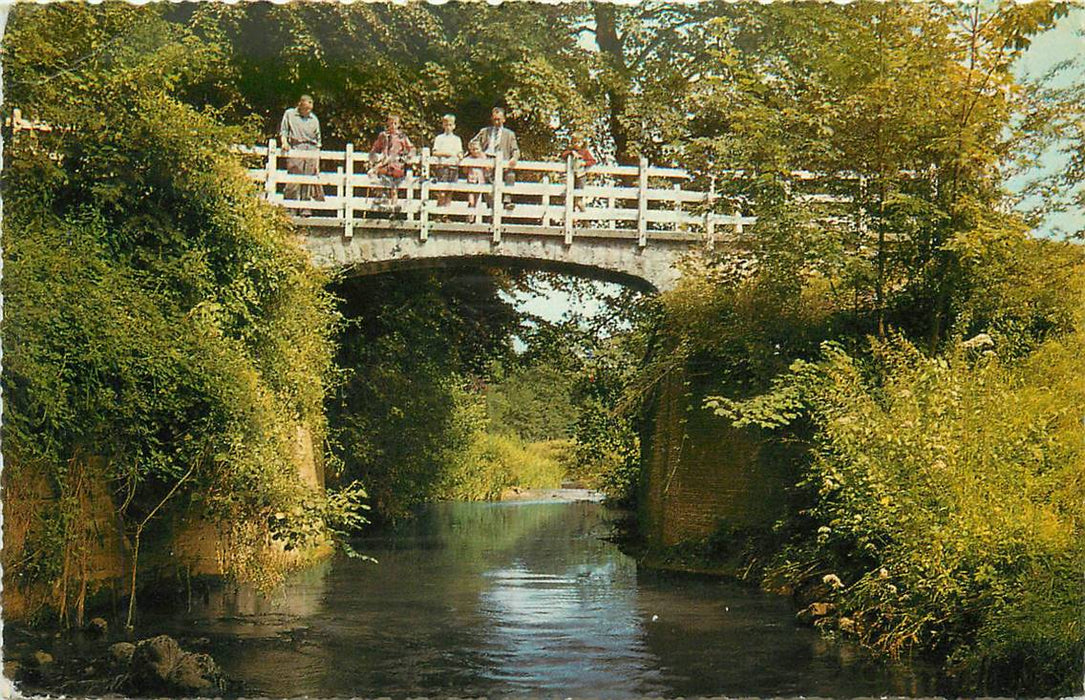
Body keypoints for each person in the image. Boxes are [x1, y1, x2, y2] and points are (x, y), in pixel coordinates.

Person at [279, 95, 325, 217]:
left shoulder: (314, 119)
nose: (308, 111)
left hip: (311, 148)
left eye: (309, 109)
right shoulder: (289, 114)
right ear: (300, 105)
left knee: (309, 179)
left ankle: (306, 209)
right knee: (294, 178)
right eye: (305, 108)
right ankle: (290, 208)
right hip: (296, 147)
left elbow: (318, 141)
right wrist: (284, 142)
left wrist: (317, 160)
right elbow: (284, 131)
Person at [469, 107, 520, 210]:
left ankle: (507, 201)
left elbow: (516, 150)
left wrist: (514, 158)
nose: (496, 122)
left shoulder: (509, 134)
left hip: (503, 162)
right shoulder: (485, 131)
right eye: (494, 119)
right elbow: (472, 143)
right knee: (486, 180)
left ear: (504, 119)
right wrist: (480, 154)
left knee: (510, 175)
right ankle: (491, 207)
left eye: (499, 119)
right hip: (487, 161)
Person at [369, 114, 415, 209]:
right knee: (379, 177)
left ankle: (394, 207)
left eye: (395, 123)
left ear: (398, 124)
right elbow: (375, 148)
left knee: (394, 186)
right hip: (385, 163)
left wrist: (407, 157)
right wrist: (374, 156)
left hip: (396, 164)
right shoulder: (383, 135)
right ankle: (382, 198)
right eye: (390, 123)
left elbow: (411, 148)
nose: (392, 126)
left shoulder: (402, 136)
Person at [432, 114, 463, 208]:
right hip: (442, 167)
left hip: (453, 167)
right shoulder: (439, 138)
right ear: (443, 125)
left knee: (450, 191)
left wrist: (460, 155)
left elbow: (459, 152)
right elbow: (435, 152)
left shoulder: (457, 139)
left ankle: (446, 214)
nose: (448, 127)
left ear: (454, 126)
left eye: (450, 125)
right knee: (442, 191)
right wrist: (447, 154)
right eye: (446, 125)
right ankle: (438, 213)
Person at [560, 133, 597, 212]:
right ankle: (573, 221)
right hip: (572, 177)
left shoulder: (584, 152)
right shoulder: (570, 152)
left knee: (578, 200)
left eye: (579, 142)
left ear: (582, 142)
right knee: (570, 199)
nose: (577, 144)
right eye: (575, 142)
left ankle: (586, 220)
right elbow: (563, 155)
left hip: (580, 176)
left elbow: (593, 161)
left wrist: (585, 163)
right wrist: (572, 152)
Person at [464, 140, 487, 210]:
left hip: (480, 180)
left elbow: (487, 169)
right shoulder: (468, 158)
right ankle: (469, 217)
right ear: (470, 150)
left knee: (477, 200)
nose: (475, 151)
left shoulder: (483, 158)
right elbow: (465, 171)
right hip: (471, 180)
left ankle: (472, 218)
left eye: (477, 149)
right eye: (473, 149)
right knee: (471, 201)